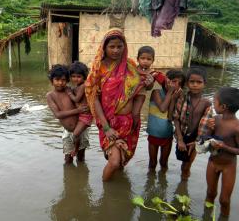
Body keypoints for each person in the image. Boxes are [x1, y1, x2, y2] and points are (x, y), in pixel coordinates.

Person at [85, 28, 152, 181]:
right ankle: (105, 196)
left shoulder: (130, 64)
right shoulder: (98, 68)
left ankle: (118, 195)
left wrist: (149, 82)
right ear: (104, 47)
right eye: (112, 47)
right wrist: (106, 127)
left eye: (119, 46)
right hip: (109, 123)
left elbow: (139, 88)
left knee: (122, 161)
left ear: (125, 46)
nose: (116, 50)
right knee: (114, 162)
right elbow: (93, 97)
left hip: (129, 122)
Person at [205, 87, 239, 218]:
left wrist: (224, 146)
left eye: (215, 101)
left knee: (224, 200)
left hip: (229, 166)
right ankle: (206, 216)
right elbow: (206, 140)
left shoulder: (238, 127)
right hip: (213, 162)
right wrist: (209, 129)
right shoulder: (216, 119)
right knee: (210, 193)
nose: (213, 103)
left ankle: (224, 217)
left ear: (223, 106)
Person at [173, 67, 211, 180]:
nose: (195, 85)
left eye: (199, 82)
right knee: (182, 159)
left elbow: (207, 125)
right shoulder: (182, 98)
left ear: (204, 83)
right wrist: (179, 139)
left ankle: (184, 182)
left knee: (187, 164)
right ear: (187, 83)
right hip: (182, 135)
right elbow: (176, 118)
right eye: (192, 82)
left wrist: (197, 142)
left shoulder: (206, 103)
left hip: (196, 138)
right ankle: (182, 184)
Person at [46, 64, 89, 164]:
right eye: (57, 79)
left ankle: (80, 177)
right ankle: (70, 178)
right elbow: (57, 114)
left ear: (67, 80)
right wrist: (77, 111)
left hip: (81, 128)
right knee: (68, 159)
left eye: (64, 80)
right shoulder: (50, 96)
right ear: (51, 81)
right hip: (68, 131)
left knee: (81, 157)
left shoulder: (70, 90)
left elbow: (82, 99)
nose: (60, 83)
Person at [146, 69, 185, 170]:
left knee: (164, 163)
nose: (173, 84)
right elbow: (163, 108)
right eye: (172, 81)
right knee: (152, 163)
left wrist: (173, 98)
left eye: (177, 82)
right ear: (166, 80)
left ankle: (163, 184)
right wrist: (171, 92)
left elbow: (170, 117)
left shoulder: (178, 97)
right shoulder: (156, 92)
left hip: (167, 135)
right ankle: (150, 184)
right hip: (154, 134)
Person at [133, 46, 166, 140]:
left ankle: (134, 129)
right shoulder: (133, 69)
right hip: (129, 94)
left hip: (140, 95)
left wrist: (150, 83)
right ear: (138, 59)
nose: (145, 61)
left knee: (135, 113)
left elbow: (149, 88)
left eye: (148, 59)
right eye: (142, 58)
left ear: (152, 60)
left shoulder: (152, 73)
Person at [67, 61, 93, 157]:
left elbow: (77, 99)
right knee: (76, 134)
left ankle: (76, 149)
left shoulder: (83, 86)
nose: (75, 79)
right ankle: (77, 148)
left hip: (85, 115)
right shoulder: (78, 86)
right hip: (80, 114)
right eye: (73, 76)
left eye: (78, 77)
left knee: (76, 134)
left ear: (84, 76)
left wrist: (69, 92)